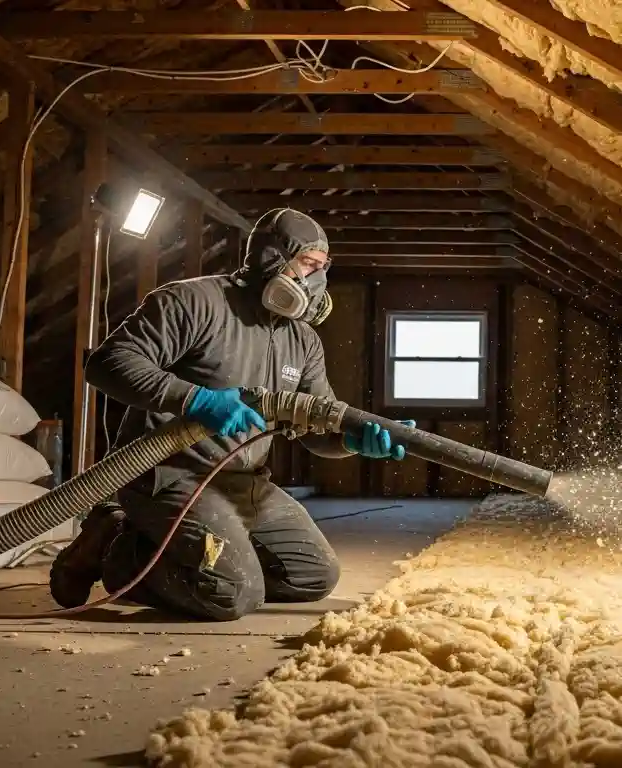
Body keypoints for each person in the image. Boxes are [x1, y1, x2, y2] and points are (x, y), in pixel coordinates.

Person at [49, 208, 413, 621]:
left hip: (243, 483)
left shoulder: (303, 340)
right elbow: (108, 362)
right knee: (231, 594)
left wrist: (352, 441)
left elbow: (313, 426)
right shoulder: (193, 302)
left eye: (322, 269)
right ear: (273, 259)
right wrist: (197, 401)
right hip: (172, 477)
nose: (316, 282)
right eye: (309, 264)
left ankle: (182, 552)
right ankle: (116, 544)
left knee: (313, 576)